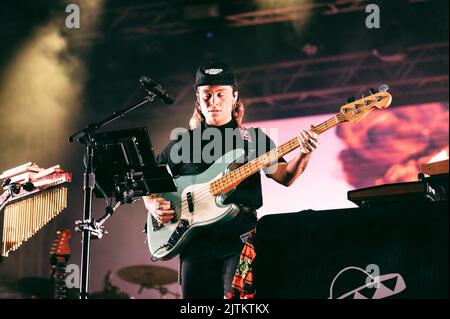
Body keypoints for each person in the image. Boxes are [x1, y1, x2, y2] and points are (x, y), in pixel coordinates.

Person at [143, 61, 319, 299]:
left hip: (239, 239)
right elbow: (146, 181)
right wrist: (152, 204)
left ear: (234, 96)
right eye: (206, 95)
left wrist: (305, 153)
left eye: (220, 94)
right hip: (195, 243)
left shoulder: (253, 139)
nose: (213, 101)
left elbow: (286, 177)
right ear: (197, 98)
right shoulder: (183, 142)